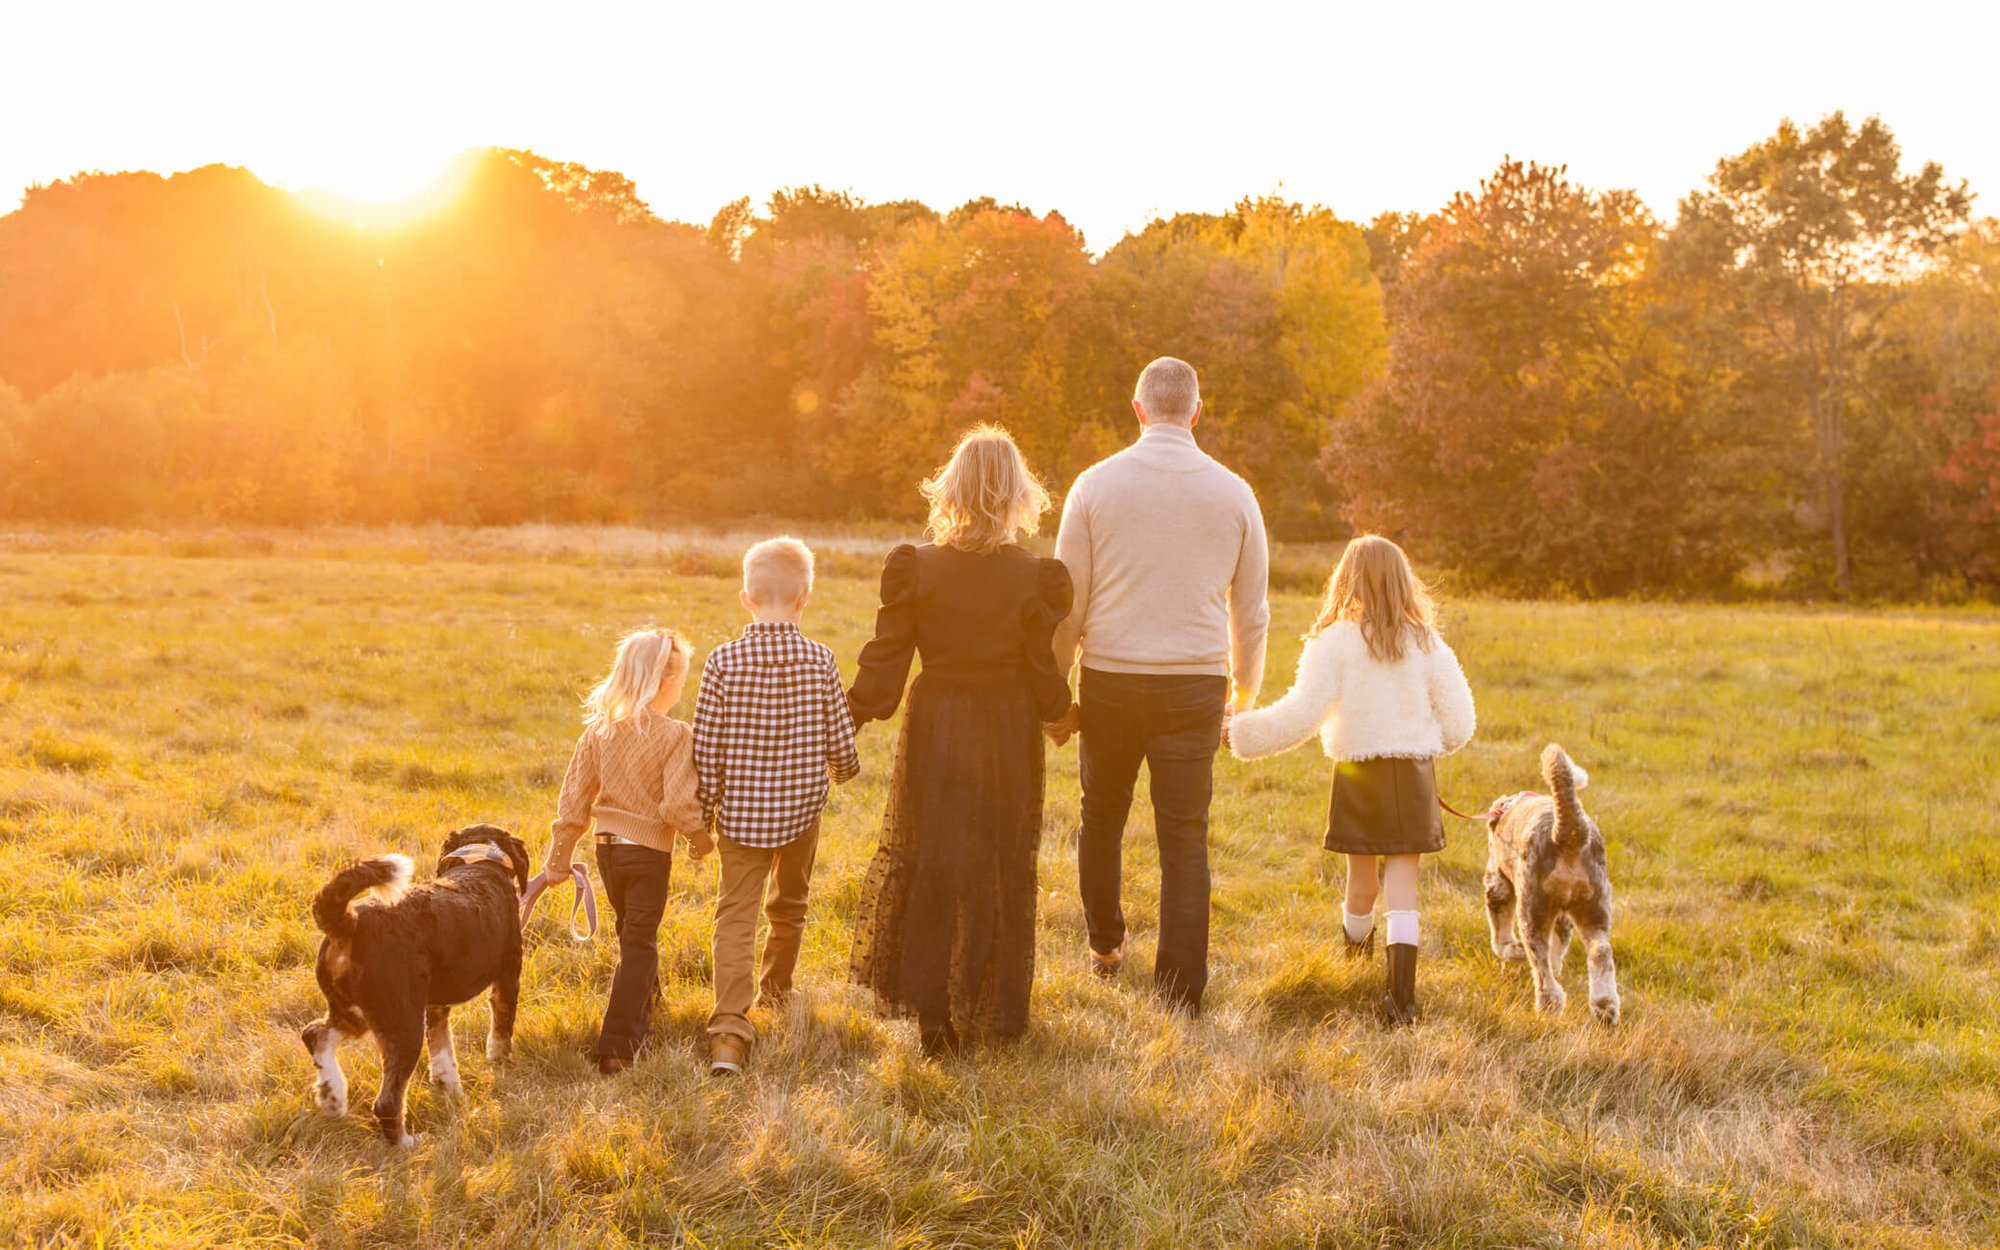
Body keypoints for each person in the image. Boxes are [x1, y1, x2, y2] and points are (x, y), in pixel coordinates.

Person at [1049, 356, 1270, 1015]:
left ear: (1138, 408)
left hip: (1113, 677)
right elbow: (1252, 611)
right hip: (1197, 683)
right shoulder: (1235, 493)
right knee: (1184, 834)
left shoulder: (1093, 486)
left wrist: (1056, 693)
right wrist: (1246, 694)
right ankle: (1179, 991)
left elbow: (1069, 602)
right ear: (1196, 412)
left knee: (1101, 815)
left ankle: (1106, 947)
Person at [847, 426, 1073, 1056]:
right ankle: (986, 1006)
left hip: (939, 720)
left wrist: (850, 717)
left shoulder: (916, 566)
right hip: (1005, 726)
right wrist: (1064, 712)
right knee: (999, 863)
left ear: (952, 491)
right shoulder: (1036, 576)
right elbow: (1041, 674)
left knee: (935, 860)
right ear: (1014, 496)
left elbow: (885, 666)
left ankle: (934, 1016)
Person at [1226, 535, 1476, 1026]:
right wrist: (1425, 745)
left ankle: (1353, 965)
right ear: (1403, 580)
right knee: (1403, 886)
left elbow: (1302, 715)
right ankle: (1400, 1003)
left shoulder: (1334, 640)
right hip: (1412, 773)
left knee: (1360, 883)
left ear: (1347, 578)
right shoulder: (1426, 640)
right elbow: (1461, 722)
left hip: (1359, 773)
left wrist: (1240, 732)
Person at [693, 538, 860, 1076]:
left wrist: (707, 812)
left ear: (746, 597)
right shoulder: (820, 660)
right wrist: (840, 772)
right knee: (789, 905)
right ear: (803, 598)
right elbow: (841, 746)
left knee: (736, 914)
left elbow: (706, 749)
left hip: (740, 817)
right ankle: (777, 993)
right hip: (800, 813)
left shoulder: (722, 662)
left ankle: (728, 1033)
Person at [537, 628, 712, 1076]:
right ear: (667, 682)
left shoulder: (599, 733)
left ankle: (648, 1005)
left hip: (606, 851)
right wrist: (699, 837)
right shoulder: (676, 734)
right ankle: (617, 1046)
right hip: (648, 851)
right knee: (640, 941)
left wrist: (558, 860)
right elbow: (675, 803)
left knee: (629, 932)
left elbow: (573, 800)